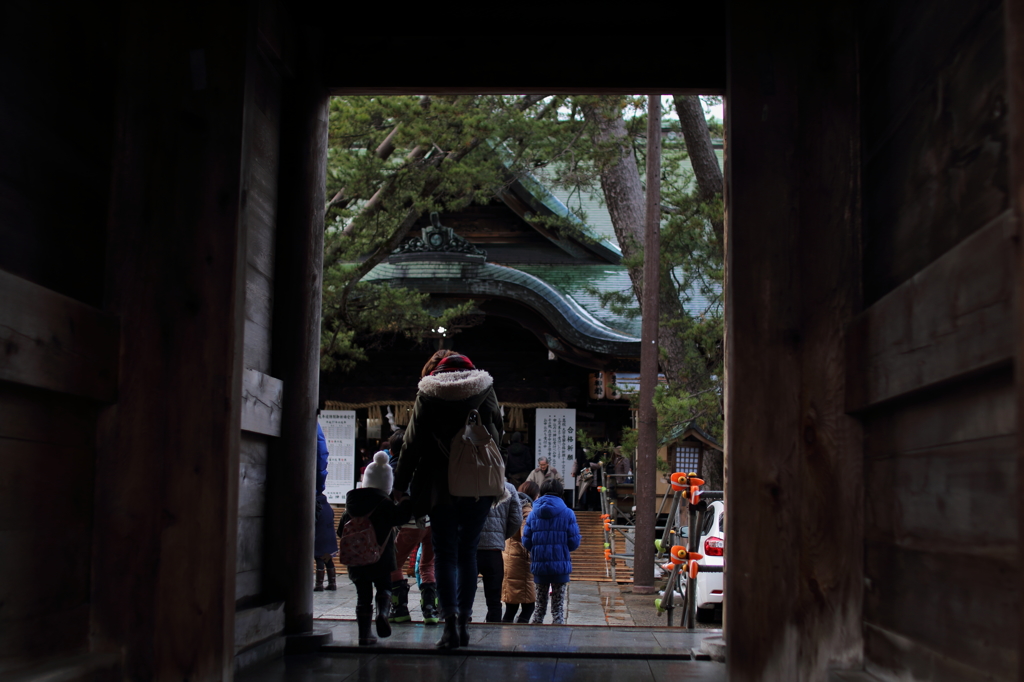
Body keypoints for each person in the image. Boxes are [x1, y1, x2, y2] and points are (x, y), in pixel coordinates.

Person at [393, 351, 504, 650]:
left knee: (444, 555)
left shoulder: (428, 393)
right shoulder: (484, 389)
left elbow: (411, 442)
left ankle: (450, 623)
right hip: (476, 485)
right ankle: (465, 621)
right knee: (468, 553)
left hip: (438, 486)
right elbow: (497, 431)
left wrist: (400, 485)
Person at [338, 452, 411, 646]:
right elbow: (402, 517)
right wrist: (404, 499)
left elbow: (340, 531)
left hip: (356, 559)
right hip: (381, 558)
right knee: (384, 586)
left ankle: (364, 635)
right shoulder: (384, 504)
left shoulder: (350, 505)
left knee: (363, 595)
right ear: (386, 483)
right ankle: (383, 614)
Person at [387, 429, 439, 625]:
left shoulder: (395, 467)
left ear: (392, 450)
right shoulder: (424, 463)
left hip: (410, 523)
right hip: (431, 523)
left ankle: (399, 609)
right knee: (427, 565)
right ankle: (430, 611)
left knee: (393, 564)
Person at [523, 478, 580, 625]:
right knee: (558, 610)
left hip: (540, 565)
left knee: (539, 608)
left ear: (542, 492)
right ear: (561, 493)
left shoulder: (533, 513)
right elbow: (574, 542)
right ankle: (558, 642)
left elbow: (526, 541)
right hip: (560, 567)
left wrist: (539, 550)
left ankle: (535, 641)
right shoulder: (568, 513)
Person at [476, 480, 523, 622]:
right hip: (494, 551)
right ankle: (494, 631)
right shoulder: (508, 488)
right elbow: (517, 519)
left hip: (471, 548)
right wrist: (501, 536)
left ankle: (463, 629)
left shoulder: (470, 483)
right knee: (494, 600)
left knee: (465, 595)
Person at [502, 480, 539, 623]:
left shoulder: (510, 504)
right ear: (534, 494)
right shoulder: (527, 509)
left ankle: (501, 637)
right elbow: (527, 536)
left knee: (511, 607)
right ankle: (518, 637)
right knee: (528, 607)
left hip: (508, 558)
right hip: (521, 561)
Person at [314, 423, 338, 591]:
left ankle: (319, 584)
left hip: (316, 505)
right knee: (327, 554)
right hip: (324, 509)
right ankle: (332, 582)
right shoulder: (325, 504)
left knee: (319, 554)